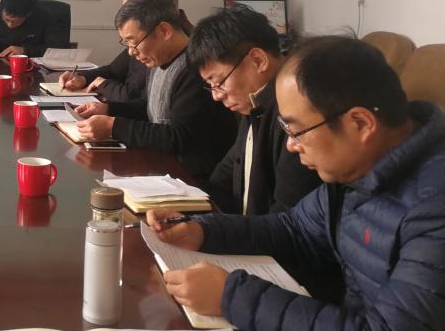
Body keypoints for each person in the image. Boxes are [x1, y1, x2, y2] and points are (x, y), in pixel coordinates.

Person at [148, 36, 445, 330]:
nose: (291, 145)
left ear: (360, 123)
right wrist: (203, 231)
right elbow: (294, 229)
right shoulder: (359, 169)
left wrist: (232, 297)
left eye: (297, 130)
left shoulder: (432, 208)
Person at [73, 0, 236, 181]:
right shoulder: (158, 60)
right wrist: (109, 109)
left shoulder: (195, 69)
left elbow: (178, 137)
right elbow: (149, 107)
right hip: (162, 167)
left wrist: (113, 127)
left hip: (192, 177)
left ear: (164, 31)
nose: (131, 52)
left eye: (134, 42)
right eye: (127, 43)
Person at [186, 5, 322, 215]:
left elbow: (287, 218)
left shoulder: (297, 114)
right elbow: (224, 176)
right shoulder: (255, 104)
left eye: (219, 82)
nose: (216, 95)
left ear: (258, 60)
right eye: (210, 85)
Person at [60, 0, 191, 102]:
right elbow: (113, 70)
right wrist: (83, 78)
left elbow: (135, 97)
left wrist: (104, 86)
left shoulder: (164, 49)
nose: (130, 51)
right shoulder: (141, 40)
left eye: (131, 10)